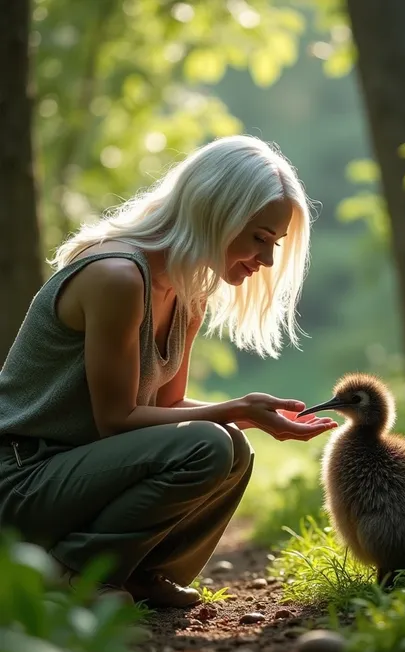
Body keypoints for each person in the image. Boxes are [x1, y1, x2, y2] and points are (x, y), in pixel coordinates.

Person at [0, 135, 338, 608]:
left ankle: (137, 575)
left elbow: (166, 409)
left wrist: (249, 417)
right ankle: (70, 575)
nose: (267, 260)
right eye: (260, 238)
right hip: (22, 478)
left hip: (75, 474)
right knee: (213, 442)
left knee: (234, 448)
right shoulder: (117, 276)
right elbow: (116, 421)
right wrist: (232, 409)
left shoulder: (186, 292)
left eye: (275, 243)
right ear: (213, 212)